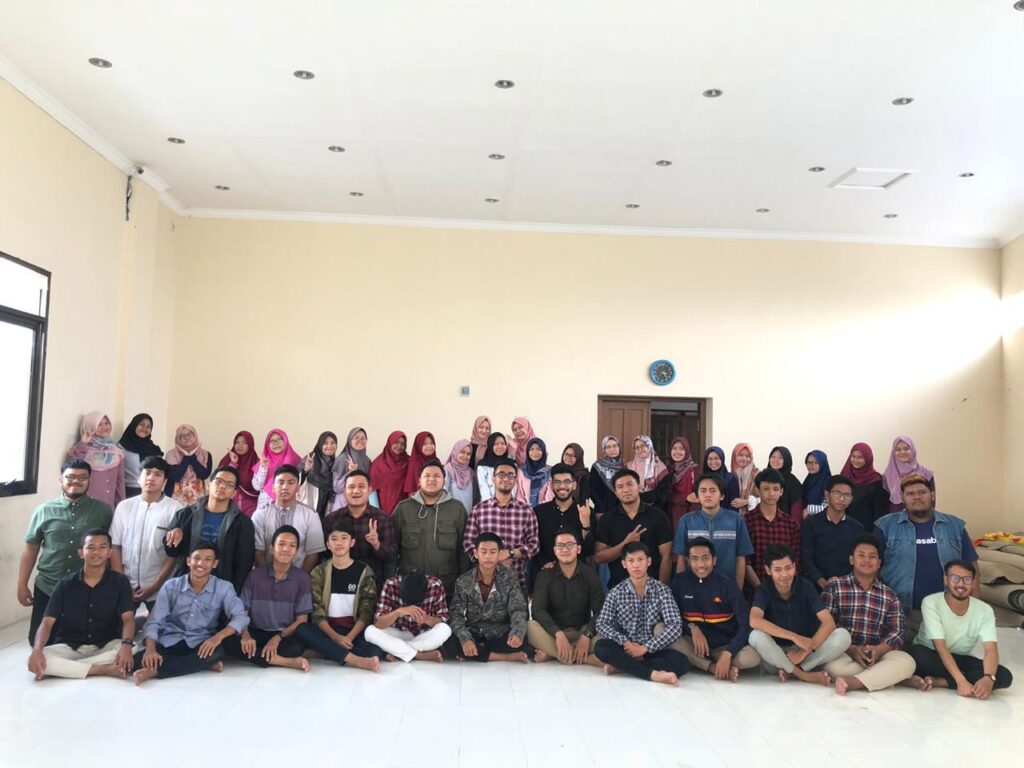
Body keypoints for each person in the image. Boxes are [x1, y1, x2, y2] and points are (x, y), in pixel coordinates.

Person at [18, 459, 113, 644]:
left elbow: (111, 549)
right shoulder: (43, 511)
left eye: (82, 477)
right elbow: (31, 549)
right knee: (38, 642)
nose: (76, 481)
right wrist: (22, 584)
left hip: (87, 587)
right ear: (61, 480)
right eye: (70, 477)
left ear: (90, 481)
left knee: (84, 642)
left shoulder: (103, 511)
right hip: (48, 585)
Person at [132, 541, 249, 685]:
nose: (200, 563)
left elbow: (240, 617)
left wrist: (217, 638)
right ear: (188, 561)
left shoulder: (224, 588)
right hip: (170, 639)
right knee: (136, 660)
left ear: (215, 564)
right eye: (196, 558)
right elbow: (154, 621)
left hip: (200, 642)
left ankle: (156, 671)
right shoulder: (171, 586)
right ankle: (201, 664)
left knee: (216, 652)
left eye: (207, 559)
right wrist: (150, 650)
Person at [27, 529, 135, 680]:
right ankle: (102, 668)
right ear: (81, 553)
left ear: (110, 552)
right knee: (36, 656)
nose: (96, 552)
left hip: (106, 644)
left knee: (134, 649)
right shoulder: (65, 584)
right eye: (90, 547)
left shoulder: (120, 582)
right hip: (70, 646)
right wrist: (37, 649)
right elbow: (47, 622)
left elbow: (128, 619)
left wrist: (126, 645)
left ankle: (66, 668)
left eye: (102, 547)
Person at [874, 475, 978, 626]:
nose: (917, 497)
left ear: (932, 495)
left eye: (922, 492)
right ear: (902, 498)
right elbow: (871, 567)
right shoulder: (885, 526)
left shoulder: (954, 526)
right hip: (899, 613)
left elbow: (972, 567)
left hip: (948, 613)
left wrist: (974, 607)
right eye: (910, 493)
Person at [822, 534, 919, 695]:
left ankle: (855, 682)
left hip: (877, 654)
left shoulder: (889, 595)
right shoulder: (835, 586)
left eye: (872, 557)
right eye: (861, 555)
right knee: (833, 668)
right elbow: (827, 625)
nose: (867, 560)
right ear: (851, 559)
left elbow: (898, 632)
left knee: (907, 662)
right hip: (845, 653)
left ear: (879, 563)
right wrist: (853, 650)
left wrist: (878, 650)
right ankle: (890, 677)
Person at [748, 544, 851, 685]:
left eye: (788, 568)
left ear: (795, 566)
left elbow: (829, 622)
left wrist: (804, 651)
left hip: (807, 652)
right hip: (776, 655)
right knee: (755, 636)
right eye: (778, 570)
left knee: (843, 635)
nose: (784, 574)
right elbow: (754, 620)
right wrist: (794, 637)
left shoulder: (805, 586)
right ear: (768, 570)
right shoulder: (763, 589)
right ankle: (802, 675)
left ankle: (795, 669)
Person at [908, 560, 1013, 697]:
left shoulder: (984, 610)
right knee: (919, 656)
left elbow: (990, 649)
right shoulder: (931, 602)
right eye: (955, 578)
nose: (961, 584)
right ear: (946, 579)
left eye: (967, 580)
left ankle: (941, 682)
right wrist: (961, 681)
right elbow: (940, 647)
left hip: (959, 658)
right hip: (931, 655)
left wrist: (989, 678)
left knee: (1004, 675)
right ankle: (961, 679)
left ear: (974, 583)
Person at [294, 519, 382, 672]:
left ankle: (324, 652)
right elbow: (317, 612)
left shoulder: (364, 572)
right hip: (327, 631)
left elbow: (366, 611)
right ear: (328, 544)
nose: (339, 543)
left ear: (352, 542)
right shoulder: (318, 572)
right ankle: (356, 660)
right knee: (302, 630)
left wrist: (349, 638)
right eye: (334, 539)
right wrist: (335, 637)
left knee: (376, 649)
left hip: (353, 631)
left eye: (344, 538)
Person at [594, 542, 688, 685]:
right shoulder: (616, 592)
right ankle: (653, 674)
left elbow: (675, 625)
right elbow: (601, 624)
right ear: (624, 564)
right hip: (625, 648)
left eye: (640, 560)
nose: (636, 565)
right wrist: (625, 642)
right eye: (631, 561)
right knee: (601, 647)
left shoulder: (662, 590)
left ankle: (622, 666)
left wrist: (645, 648)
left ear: (648, 561)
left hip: (652, 649)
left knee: (681, 662)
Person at [223, 525, 312, 672]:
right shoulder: (255, 575)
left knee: (295, 647)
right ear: (272, 548)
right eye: (281, 544)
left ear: (296, 551)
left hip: (284, 634)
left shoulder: (302, 578)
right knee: (228, 641)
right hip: (256, 631)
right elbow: (241, 611)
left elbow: (302, 620)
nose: (286, 549)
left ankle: (261, 656)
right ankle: (284, 661)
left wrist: (277, 638)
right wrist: (245, 634)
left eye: (292, 545)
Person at [669, 537, 760, 680]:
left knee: (752, 657)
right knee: (660, 629)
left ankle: (711, 663)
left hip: (723, 646)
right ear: (688, 561)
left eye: (705, 558)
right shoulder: (679, 582)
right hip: (693, 644)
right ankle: (712, 667)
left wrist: (729, 653)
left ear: (714, 560)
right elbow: (672, 617)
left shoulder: (727, 585)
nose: (700, 564)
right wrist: (692, 628)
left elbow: (746, 624)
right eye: (695, 559)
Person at [163, 466, 256, 594]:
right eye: (219, 481)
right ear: (209, 485)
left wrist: (233, 594)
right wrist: (173, 537)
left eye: (229, 484)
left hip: (221, 591)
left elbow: (244, 565)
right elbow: (171, 552)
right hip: (185, 589)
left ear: (234, 493)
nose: (222, 486)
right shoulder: (185, 515)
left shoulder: (242, 523)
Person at [109, 456, 183, 608]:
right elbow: (115, 547)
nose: (151, 478)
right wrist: (122, 584)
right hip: (126, 585)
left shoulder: (175, 509)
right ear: (139, 478)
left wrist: (155, 586)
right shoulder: (124, 506)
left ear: (165, 481)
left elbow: (173, 554)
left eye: (157, 474)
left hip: (160, 588)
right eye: (147, 472)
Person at [393, 461, 470, 600]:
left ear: (444, 481)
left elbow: (464, 551)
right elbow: (392, 549)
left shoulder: (456, 509)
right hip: (409, 587)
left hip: (446, 587)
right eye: (427, 475)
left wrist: (463, 586)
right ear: (419, 480)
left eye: (437, 476)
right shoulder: (404, 509)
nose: (431, 479)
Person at [449, 532, 530, 663]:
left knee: (523, 639)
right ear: (476, 553)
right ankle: (505, 657)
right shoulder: (463, 581)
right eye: (483, 552)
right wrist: (466, 639)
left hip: (500, 632)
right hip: (475, 631)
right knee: (449, 642)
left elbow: (518, 609)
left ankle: (478, 652)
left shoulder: (510, 577)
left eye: (492, 552)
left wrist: (517, 632)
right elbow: (455, 615)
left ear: (499, 554)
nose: (488, 556)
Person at [464, 457, 539, 593]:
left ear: (515, 480)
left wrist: (510, 553)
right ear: (493, 479)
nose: (506, 478)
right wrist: (493, 559)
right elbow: (469, 544)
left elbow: (534, 545)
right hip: (485, 583)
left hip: (517, 581)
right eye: (501, 474)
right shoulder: (479, 510)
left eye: (510, 475)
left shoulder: (526, 511)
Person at [529, 529, 603, 665]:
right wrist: (558, 634)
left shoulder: (589, 574)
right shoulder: (545, 575)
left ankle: (555, 654)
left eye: (570, 545)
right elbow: (537, 610)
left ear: (578, 549)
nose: (565, 549)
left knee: (607, 635)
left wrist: (587, 635)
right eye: (560, 546)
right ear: (555, 550)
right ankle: (581, 657)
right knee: (529, 627)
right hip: (553, 634)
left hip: (582, 631)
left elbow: (600, 610)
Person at [594, 469, 673, 588]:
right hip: (619, 588)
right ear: (615, 492)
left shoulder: (658, 516)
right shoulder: (607, 519)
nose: (626, 490)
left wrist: (661, 590)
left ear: (639, 487)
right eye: (620, 487)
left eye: (630, 484)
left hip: (652, 587)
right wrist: (625, 544)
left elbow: (666, 557)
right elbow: (598, 558)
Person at [673, 474, 753, 589]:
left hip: (727, 588)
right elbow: (681, 558)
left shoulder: (736, 520)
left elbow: (740, 558)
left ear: (722, 495)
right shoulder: (686, 521)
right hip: (694, 588)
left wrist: (737, 591)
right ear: (697, 496)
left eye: (713, 490)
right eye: (703, 491)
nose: (708, 495)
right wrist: (680, 590)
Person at [323, 469, 397, 587]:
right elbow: (324, 556)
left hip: (372, 585)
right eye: (351, 487)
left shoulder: (382, 518)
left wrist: (377, 544)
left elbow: (391, 556)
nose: (356, 491)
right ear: (344, 492)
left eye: (361, 486)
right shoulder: (332, 520)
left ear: (369, 490)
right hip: (339, 583)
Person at [366, 570, 451, 663]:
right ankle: (419, 655)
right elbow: (378, 624)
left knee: (445, 629)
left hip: (423, 635)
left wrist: (426, 619)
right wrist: (398, 612)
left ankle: (398, 652)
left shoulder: (436, 585)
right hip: (398, 632)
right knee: (370, 631)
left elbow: (443, 619)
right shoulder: (390, 584)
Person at [251, 465, 326, 572]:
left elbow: (313, 553)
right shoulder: (260, 515)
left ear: (298, 488)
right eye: (281, 482)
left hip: (299, 577)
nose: (285, 487)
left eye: (291, 483)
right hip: (266, 577)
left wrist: (300, 578)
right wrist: (266, 578)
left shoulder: (310, 515)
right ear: (273, 487)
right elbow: (258, 551)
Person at [744, 468, 801, 599]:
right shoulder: (746, 521)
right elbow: (745, 561)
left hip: (784, 593)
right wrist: (761, 590)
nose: (771, 494)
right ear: (757, 490)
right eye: (766, 489)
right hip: (753, 593)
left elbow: (796, 560)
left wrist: (782, 588)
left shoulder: (791, 524)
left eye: (776, 489)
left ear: (781, 491)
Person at [801, 475, 865, 589]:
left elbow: (858, 560)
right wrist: (822, 582)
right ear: (827, 494)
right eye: (837, 493)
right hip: (816, 586)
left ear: (851, 498)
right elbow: (806, 559)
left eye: (847, 495)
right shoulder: (810, 524)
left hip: (848, 587)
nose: (842, 499)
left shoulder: (857, 528)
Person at [532, 463, 594, 572]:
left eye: (567, 482)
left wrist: (586, 525)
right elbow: (533, 545)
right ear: (551, 485)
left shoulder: (586, 511)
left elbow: (589, 551)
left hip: (578, 574)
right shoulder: (539, 512)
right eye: (557, 482)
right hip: (546, 573)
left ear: (574, 485)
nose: (562, 486)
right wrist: (543, 563)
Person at [66, 411, 126, 509]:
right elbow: (72, 467)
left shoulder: (117, 451)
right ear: (90, 426)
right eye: (99, 424)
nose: (104, 427)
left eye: (106, 423)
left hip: (108, 507)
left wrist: (121, 507)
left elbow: (120, 482)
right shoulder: (81, 448)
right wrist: (83, 443)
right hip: (87, 506)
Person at [251, 428, 302, 514]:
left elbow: (300, 485)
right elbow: (257, 487)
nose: (276, 443)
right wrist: (263, 468)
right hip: (265, 507)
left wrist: (306, 469)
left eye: (279, 439)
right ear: (267, 445)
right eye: (272, 441)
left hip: (288, 506)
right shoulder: (263, 462)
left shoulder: (295, 460)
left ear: (285, 441)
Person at [840, 442, 889, 531]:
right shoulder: (844, 477)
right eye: (853, 456)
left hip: (866, 529)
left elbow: (879, 511)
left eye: (860, 457)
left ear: (868, 458)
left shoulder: (876, 481)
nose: (856, 460)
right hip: (845, 527)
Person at [882, 435, 936, 514]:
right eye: (898, 449)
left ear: (912, 450)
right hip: (896, 519)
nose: (902, 452)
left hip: (921, 517)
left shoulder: (926, 474)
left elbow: (932, 502)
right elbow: (884, 505)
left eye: (906, 448)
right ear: (893, 453)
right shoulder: (887, 476)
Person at [163, 424, 212, 507]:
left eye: (189, 434)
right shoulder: (171, 454)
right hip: (173, 498)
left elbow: (204, 475)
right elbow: (175, 477)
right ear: (178, 439)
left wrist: (192, 457)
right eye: (182, 436)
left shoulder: (205, 454)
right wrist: (186, 457)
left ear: (195, 435)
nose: (187, 437)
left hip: (197, 497)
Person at [117, 413, 163, 498]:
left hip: (152, 492)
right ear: (134, 425)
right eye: (142, 425)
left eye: (148, 426)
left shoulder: (154, 449)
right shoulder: (121, 447)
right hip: (130, 492)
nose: (145, 429)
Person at [330, 427, 373, 511]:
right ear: (350, 440)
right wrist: (351, 472)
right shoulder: (342, 459)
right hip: (343, 505)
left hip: (361, 505)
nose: (360, 440)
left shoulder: (367, 460)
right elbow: (336, 488)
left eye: (363, 438)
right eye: (356, 438)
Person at [369, 430, 410, 515]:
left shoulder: (409, 461)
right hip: (382, 509)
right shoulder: (378, 463)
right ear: (390, 442)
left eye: (402, 444)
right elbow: (372, 490)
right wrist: (376, 511)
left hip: (404, 509)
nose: (399, 446)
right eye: (396, 442)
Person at [220, 430, 259, 517]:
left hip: (250, 508)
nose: (240, 446)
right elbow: (222, 481)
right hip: (228, 507)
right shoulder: (226, 461)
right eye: (237, 442)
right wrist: (233, 463)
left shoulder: (257, 463)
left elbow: (258, 486)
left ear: (250, 445)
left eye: (244, 443)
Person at [301, 430, 338, 519]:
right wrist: (306, 470)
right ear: (320, 444)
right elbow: (295, 481)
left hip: (326, 509)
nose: (329, 446)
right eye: (325, 443)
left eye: (333, 443)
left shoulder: (336, 463)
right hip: (309, 506)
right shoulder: (310, 459)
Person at [627, 435, 670, 510]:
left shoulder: (660, 467)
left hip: (655, 509)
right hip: (632, 508)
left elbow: (662, 494)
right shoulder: (629, 467)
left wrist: (641, 497)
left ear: (649, 446)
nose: (640, 449)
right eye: (637, 447)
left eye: (643, 446)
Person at [667, 437, 699, 526]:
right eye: (674, 448)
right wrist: (685, 498)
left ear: (687, 450)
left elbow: (698, 494)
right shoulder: (668, 470)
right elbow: (665, 495)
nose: (677, 452)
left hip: (691, 512)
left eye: (681, 449)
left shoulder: (695, 469)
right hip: (673, 513)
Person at [589, 435, 624, 516]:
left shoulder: (624, 466)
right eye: (608, 447)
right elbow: (592, 490)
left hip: (622, 509)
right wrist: (600, 507)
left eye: (615, 446)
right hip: (603, 510)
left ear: (619, 448)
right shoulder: (597, 466)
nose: (612, 449)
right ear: (604, 450)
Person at [443, 439, 479, 514]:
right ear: (455, 452)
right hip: (452, 515)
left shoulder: (471, 472)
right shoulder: (448, 470)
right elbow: (444, 494)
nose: (465, 456)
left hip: (468, 514)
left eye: (468, 454)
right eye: (462, 452)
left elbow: (474, 496)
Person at [767, 446, 804, 519]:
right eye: (773, 457)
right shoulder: (765, 478)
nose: (776, 460)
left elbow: (796, 512)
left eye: (780, 458)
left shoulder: (793, 482)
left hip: (785, 524)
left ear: (787, 460)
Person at [516, 437, 554, 507]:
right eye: (532, 449)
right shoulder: (521, 471)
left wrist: (539, 509)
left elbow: (549, 496)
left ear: (543, 451)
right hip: (524, 510)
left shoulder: (549, 471)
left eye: (538, 449)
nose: (535, 452)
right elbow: (519, 494)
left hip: (544, 509)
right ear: (527, 452)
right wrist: (526, 508)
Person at [475, 432, 512, 502]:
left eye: (502, 443)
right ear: (490, 446)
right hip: (489, 506)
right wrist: (494, 506)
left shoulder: (511, 464)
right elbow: (484, 490)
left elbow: (513, 488)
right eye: (496, 444)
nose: (500, 446)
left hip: (509, 505)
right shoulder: (482, 466)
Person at [403, 431, 438, 495]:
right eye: (424, 444)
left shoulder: (436, 462)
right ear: (418, 446)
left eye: (431, 443)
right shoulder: (414, 464)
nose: (429, 446)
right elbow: (411, 487)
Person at [730, 443, 759, 511]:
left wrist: (747, 501)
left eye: (747, 456)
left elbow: (766, 498)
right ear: (734, 456)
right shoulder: (732, 475)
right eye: (741, 455)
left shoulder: (757, 475)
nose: (744, 458)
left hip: (754, 515)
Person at [560, 442, 590, 506]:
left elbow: (584, 502)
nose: (569, 457)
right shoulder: (557, 472)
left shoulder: (584, 476)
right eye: (567, 454)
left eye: (573, 456)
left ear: (579, 457)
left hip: (576, 510)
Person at [801, 450, 831, 516]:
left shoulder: (828, 482)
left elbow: (830, 508)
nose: (811, 465)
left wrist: (809, 510)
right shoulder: (807, 481)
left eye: (816, 462)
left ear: (822, 464)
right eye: (809, 462)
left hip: (822, 520)